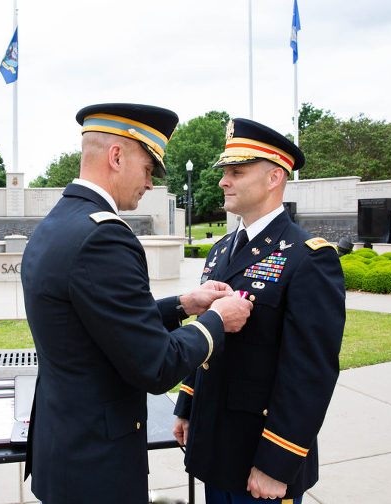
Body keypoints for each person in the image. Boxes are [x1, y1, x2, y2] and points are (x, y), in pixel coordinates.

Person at [20, 103, 253, 504]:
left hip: (65, 452)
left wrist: (184, 303)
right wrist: (217, 320)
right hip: (98, 466)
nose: (149, 184)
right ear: (116, 156)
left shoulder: (58, 223)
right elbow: (156, 365)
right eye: (148, 169)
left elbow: (101, 320)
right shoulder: (105, 238)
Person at [172, 118, 345, 503]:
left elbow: (310, 371)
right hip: (214, 443)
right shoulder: (221, 250)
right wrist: (187, 406)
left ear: (274, 178)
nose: (223, 181)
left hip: (260, 457)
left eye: (237, 171)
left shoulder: (308, 257)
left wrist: (277, 462)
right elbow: (207, 338)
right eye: (224, 172)